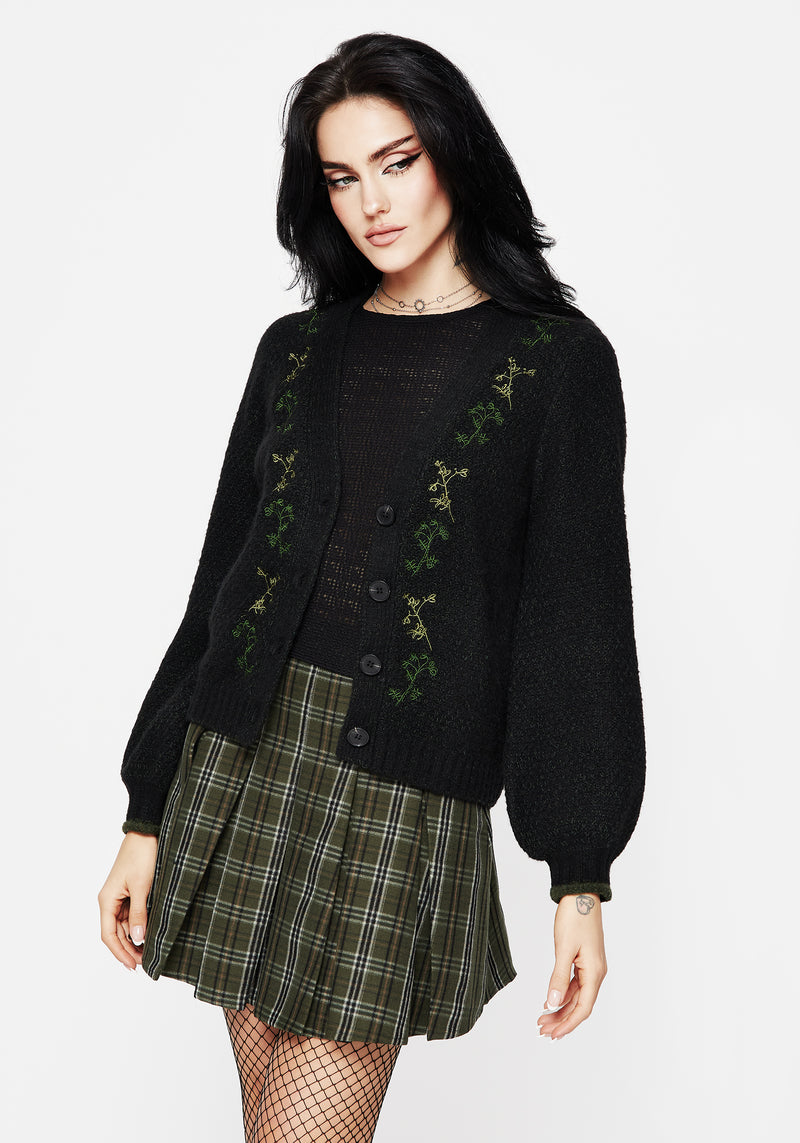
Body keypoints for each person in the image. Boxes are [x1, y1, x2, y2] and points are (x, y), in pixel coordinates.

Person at [98, 30, 646, 1143]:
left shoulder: (555, 364)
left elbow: (574, 624)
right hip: (243, 759)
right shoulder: (294, 352)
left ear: (454, 152)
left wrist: (578, 871)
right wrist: (145, 810)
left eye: (397, 162)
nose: (372, 202)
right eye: (342, 177)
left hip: (401, 786)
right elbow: (222, 581)